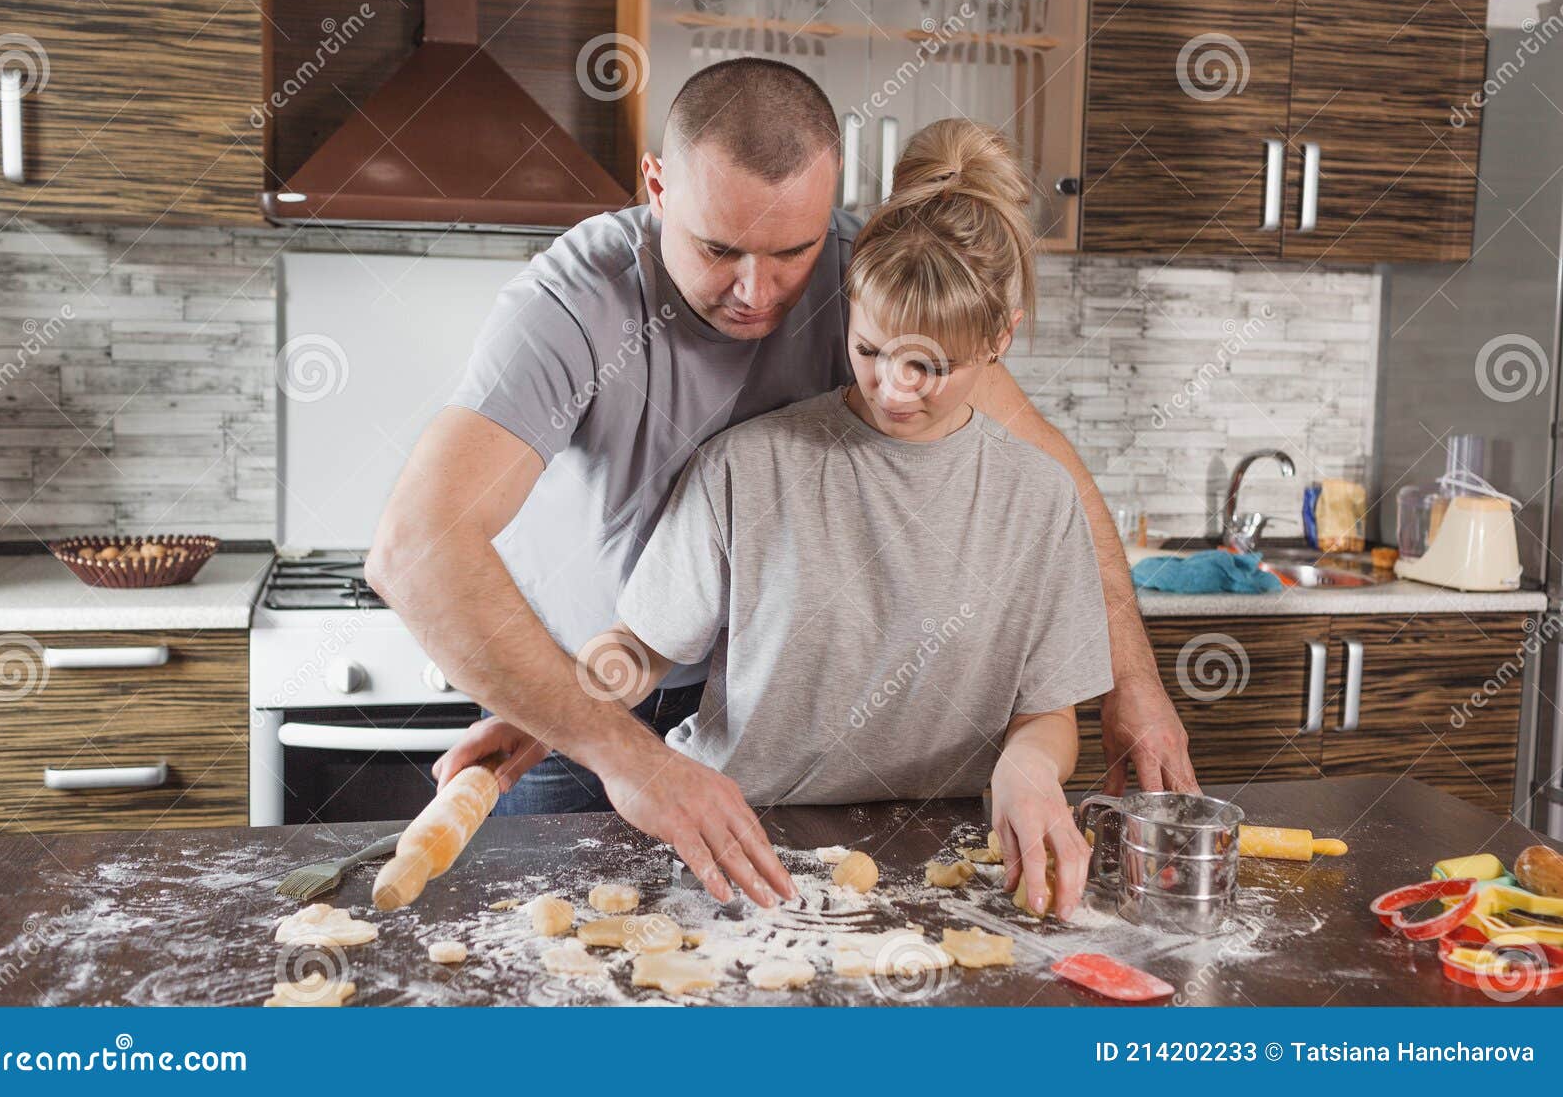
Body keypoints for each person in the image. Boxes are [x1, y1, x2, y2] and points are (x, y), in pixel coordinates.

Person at [367, 58, 1196, 910]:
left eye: (792, 251)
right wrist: (590, 725)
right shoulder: (578, 303)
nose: (756, 293)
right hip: (584, 688)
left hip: (744, 712)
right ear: (656, 186)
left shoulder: (870, 276)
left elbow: (1043, 471)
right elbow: (415, 546)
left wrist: (1131, 684)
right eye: (718, 248)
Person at [565, 118, 1110, 918]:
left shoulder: (1039, 498)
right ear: (849, 307)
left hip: (947, 864)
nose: (893, 388)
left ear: (1000, 338)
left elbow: (1047, 713)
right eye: (870, 350)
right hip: (743, 853)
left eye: (931, 366)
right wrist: (554, 704)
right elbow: (641, 651)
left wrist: (1029, 768)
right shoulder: (749, 466)